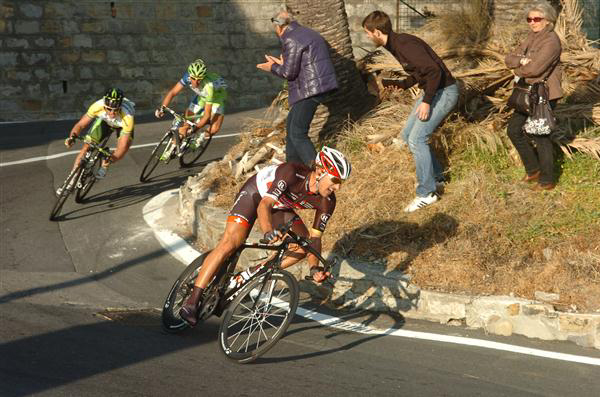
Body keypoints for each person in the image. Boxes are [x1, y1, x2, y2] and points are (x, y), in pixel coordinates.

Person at [179, 146, 351, 326]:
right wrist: (268, 231)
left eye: (341, 183)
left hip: (280, 207)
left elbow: (315, 239)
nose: (338, 187)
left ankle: (253, 273)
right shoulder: (291, 172)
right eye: (335, 180)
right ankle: (192, 300)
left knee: (302, 246)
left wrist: (314, 268)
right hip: (255, 195)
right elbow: (264, 206)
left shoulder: (328, 202)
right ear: (320, 171)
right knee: (231, 243)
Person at [362, 11, 458, 212]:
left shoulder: (405, 44)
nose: (367, 37)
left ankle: (427, 193)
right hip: (433, 90)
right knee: (407, 135)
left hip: (444, 92)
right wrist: (403, 84)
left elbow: (434, 71)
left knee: (417, 139)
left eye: (368, 33)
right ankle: (438, 178)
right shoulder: (395, 45)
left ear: (377, 32)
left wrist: (427, 102)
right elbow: (419, 72)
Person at [257, 9, 338, 166]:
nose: (276, 31)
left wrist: (272, 67)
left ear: (279, 26)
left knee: (298, 133)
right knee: (291, 131)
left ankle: (317, 171)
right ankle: (293, 170)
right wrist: (280, 63)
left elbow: (289, 73)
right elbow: (301, 64)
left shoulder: (291, 39)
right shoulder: (305, 33)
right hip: (314, 87)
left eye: (275, 28)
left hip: (310, 90)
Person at [505, 1, 562, 190]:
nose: (532, 22)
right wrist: (522, 59)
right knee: (513, 130)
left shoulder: (551, 41)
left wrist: (518, 70)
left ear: (548, 20)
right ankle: (533, 169)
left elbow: (536, 69)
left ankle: (547, 181)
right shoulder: (531, 37)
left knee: (540, 137)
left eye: (537, 19)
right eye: (529, 19)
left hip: (544, 94)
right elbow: (508, 58)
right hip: (527, 93)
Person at [58, 88, 135, 195]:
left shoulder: (127, 116)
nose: (112, 113)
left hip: (121, 125)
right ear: (104, 106)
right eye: (109, 109)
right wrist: (72, 138)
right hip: (104, 121)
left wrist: (111, 159)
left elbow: (122, 146)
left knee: (125, 147)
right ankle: (71, 180)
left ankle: (105, 165)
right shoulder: (97, 106)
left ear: (120, 107)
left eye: (115, 109)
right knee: (86, 147)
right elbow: (81, 125)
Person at [155, 58, 227, 157]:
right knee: (186, 122)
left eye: (199, 79)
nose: (196, 82)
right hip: (202, 96)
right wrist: (162, 108)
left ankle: (199, 139)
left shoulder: (208, 86)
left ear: (203, 77)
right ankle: (174, 145)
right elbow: (172, 93)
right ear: (190, 76)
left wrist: (194, 130)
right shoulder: (186, 77)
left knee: (215, 128)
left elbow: (206, 116)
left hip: (216, 98)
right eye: (193, 78)